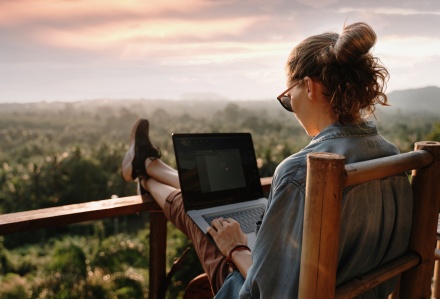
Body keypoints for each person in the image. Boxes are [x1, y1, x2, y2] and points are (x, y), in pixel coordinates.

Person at [121, 22, 413, 298]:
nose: (291, 106)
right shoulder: (392, 157)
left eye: (288, 98)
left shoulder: (302, 171)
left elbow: (268, 292)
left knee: (196, 211)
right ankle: (148, 167)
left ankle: (145, 173)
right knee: (212, 203)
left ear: (309, 87)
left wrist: (235, 248)